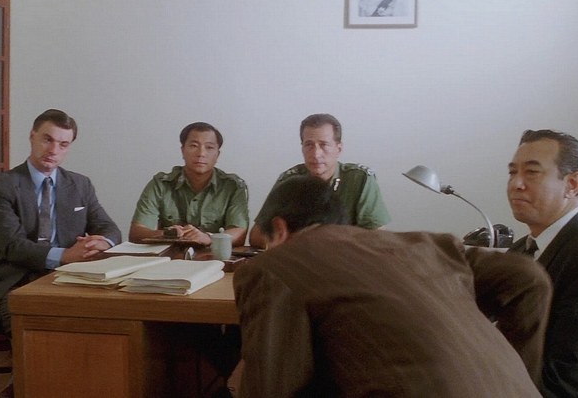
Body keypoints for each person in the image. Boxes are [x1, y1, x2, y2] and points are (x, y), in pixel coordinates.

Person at [234, 175, 552, 397]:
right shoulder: (426, 245)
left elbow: (270, 388)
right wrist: (516, 371)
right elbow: (529, 278)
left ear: (279, 229)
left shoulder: (275, 266)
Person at [0, 109, 121, 335]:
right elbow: (12, 246)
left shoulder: (80, 185)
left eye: (63, 144)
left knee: (105, 318)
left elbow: (109, 228)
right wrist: (65, 255)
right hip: (11, 282)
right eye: (47, 140)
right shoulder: (1, 186)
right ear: (32, 136)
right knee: (42, 325)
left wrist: (102, 242)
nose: (53, 150)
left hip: (67, 279)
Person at [506, 129, 578, 397]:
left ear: (573, 184)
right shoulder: (519, 252)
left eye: (531, 172)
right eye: (512, 172)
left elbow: (572, 384)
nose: (516, 184)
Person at [248, 113, 389, 248]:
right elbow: (256, 236)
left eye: (324, 145)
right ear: (302, 148)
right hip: (298, 258)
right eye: (309, 145)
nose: (316, 154)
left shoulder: (360, 179)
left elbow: (376, 236)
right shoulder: (290, 179)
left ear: (339, 149)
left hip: (344, 258)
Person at [129, 122, 249, 247]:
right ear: (183, 150)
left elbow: (239, 233)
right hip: (170, 255)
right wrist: (167, 234)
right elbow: (136, 232)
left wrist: (208, 238)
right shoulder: (161, 184)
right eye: (194, 146)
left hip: (213, 255)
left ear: (217, 155)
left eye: (209, 147)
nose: (201, 153)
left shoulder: (232, 186)